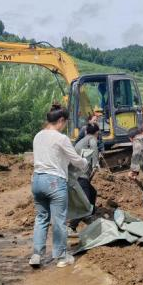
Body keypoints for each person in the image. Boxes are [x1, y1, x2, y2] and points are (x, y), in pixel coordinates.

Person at [30, 103, 88, 269]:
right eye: (65, 123)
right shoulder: (61, 138)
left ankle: (36, 255)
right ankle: (61, 257)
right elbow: (75, 159)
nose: (64, 127)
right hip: (54, 182)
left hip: (37, 181)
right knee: (59, 220)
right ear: (61, 120)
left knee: (41, 218)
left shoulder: (37, 136)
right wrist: (85, 163)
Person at [68, 123, 100, 232]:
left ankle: (89, 215)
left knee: (93, 193)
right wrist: (95, 165)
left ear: (86, 131)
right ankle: (73, 224)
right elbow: (94, 150)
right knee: (85, 202)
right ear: (97, 132)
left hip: (74, 175)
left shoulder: (80, 142)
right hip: (81, 176)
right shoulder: (92, 140)